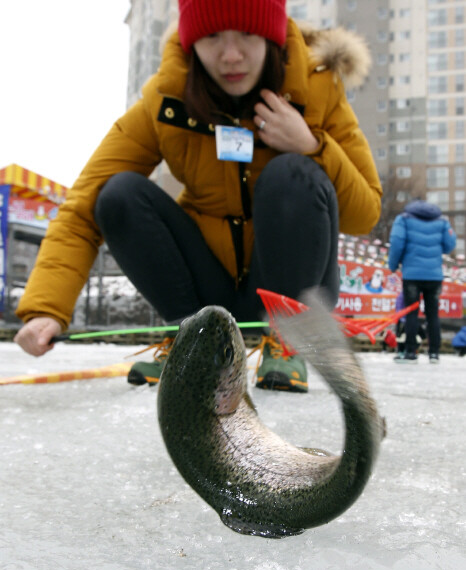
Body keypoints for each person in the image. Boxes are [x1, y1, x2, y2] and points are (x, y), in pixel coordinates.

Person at [14, 0, 382, 392]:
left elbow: (365, 214)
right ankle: (194, 343)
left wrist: (311, 146)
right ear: (191, 42)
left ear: (271, 35)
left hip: (289, 286)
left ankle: (286, 345)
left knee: (292, 173)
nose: (231, 55)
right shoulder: (166, 101)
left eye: (246, 33)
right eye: (211, 36)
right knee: (118, 194)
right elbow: (82, 208)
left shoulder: (318, 86)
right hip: (207, 287)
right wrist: (46, 310)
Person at [388, 200, 456, 364]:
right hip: (434, 276)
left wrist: (393, 265)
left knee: (411, 313)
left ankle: (410, 352)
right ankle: (434, 353)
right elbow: (449, 245)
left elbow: (397, 243)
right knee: (432, 314)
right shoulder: (442, 221)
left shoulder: (403, 219)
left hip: (411, 274)